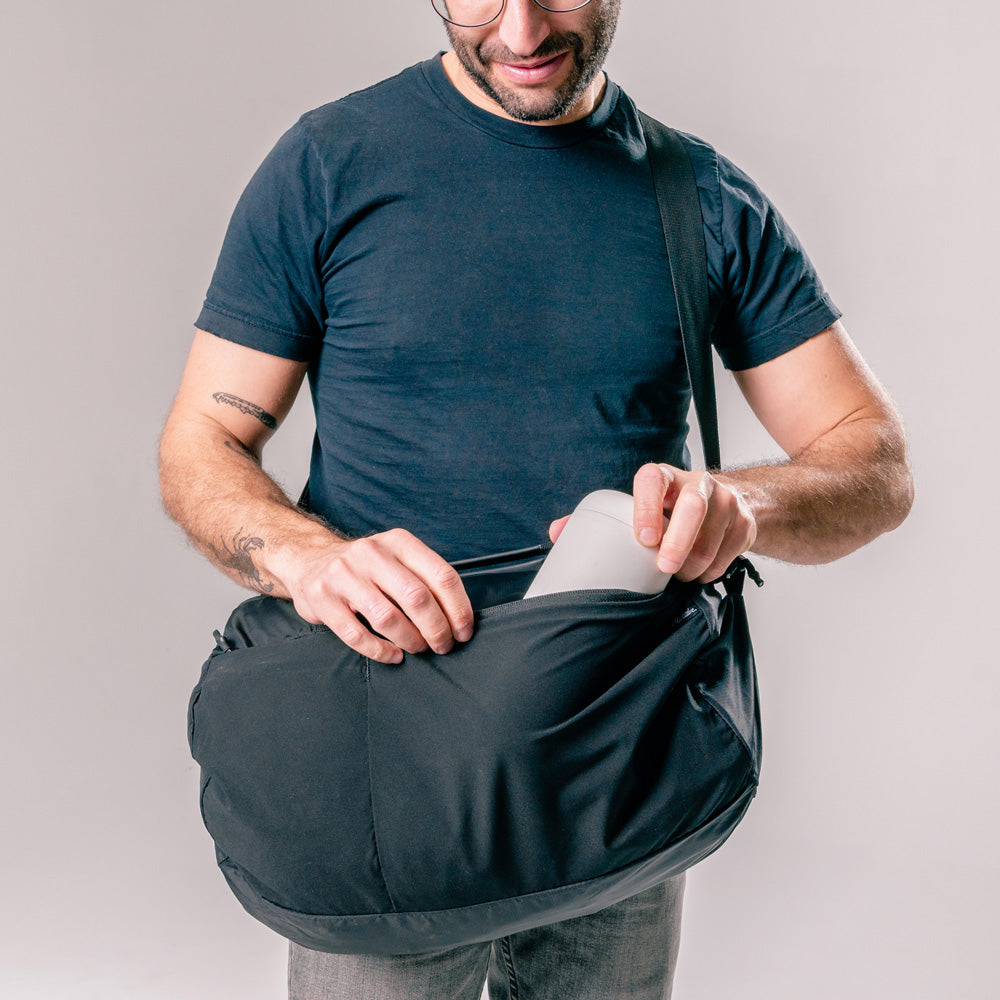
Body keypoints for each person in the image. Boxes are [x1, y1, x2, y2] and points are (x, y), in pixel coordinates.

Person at [160, 1, 914, 996]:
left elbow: (873, 464)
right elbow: (200, 444)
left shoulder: (702, 198)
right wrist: (305, 557)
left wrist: (741, 505)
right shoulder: (326, 166)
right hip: (384, 777)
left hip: (614, 778)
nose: (520, 30)